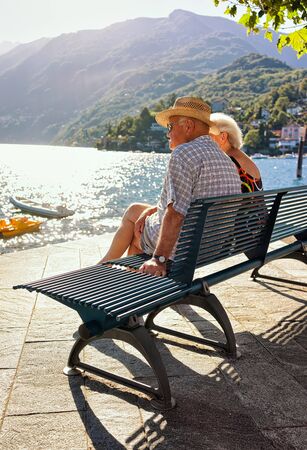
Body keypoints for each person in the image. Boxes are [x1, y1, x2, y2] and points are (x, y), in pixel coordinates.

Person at [99, 97, 241, 276]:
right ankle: (119, 272)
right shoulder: (225, 160)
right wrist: (153, 210)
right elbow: (189, 200)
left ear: (188, 126)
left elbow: (175, 215)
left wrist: (158, 260)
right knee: (136, 209)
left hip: (184, 249)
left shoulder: (183, 153)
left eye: (170, 127)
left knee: (134, 226)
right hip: (211, 247)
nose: (168, 134)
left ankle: (107, 270)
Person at [209, 113, 263, 193]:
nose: (204, 141)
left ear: (223, 137)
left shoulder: (229, 161)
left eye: (208, 136)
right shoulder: (239, 156)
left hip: (242, 205)